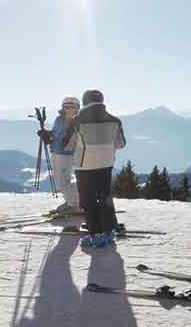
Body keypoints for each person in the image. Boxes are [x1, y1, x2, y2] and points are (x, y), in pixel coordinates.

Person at [61, 90, 126, 248]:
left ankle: (96, 234)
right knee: (105, 196)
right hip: (106, 164)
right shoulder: (115, 121)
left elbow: (67, 145)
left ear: (85, 102)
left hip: (85, 166)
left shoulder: (77, 121)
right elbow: (121, 144)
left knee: (88, 199)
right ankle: (109, 231)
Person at [39, 97, 82, 215]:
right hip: (56, 152)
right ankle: (71, 201)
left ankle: (74, 204)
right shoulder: (59, 119)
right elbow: (55, 134)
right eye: (67, 107)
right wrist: (47, 135)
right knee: (59, 182)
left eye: (72, 107)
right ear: (63, 107)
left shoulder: (77, 121)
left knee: (63, 182)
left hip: (66, 154)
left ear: (77, 108)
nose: (69, 109)